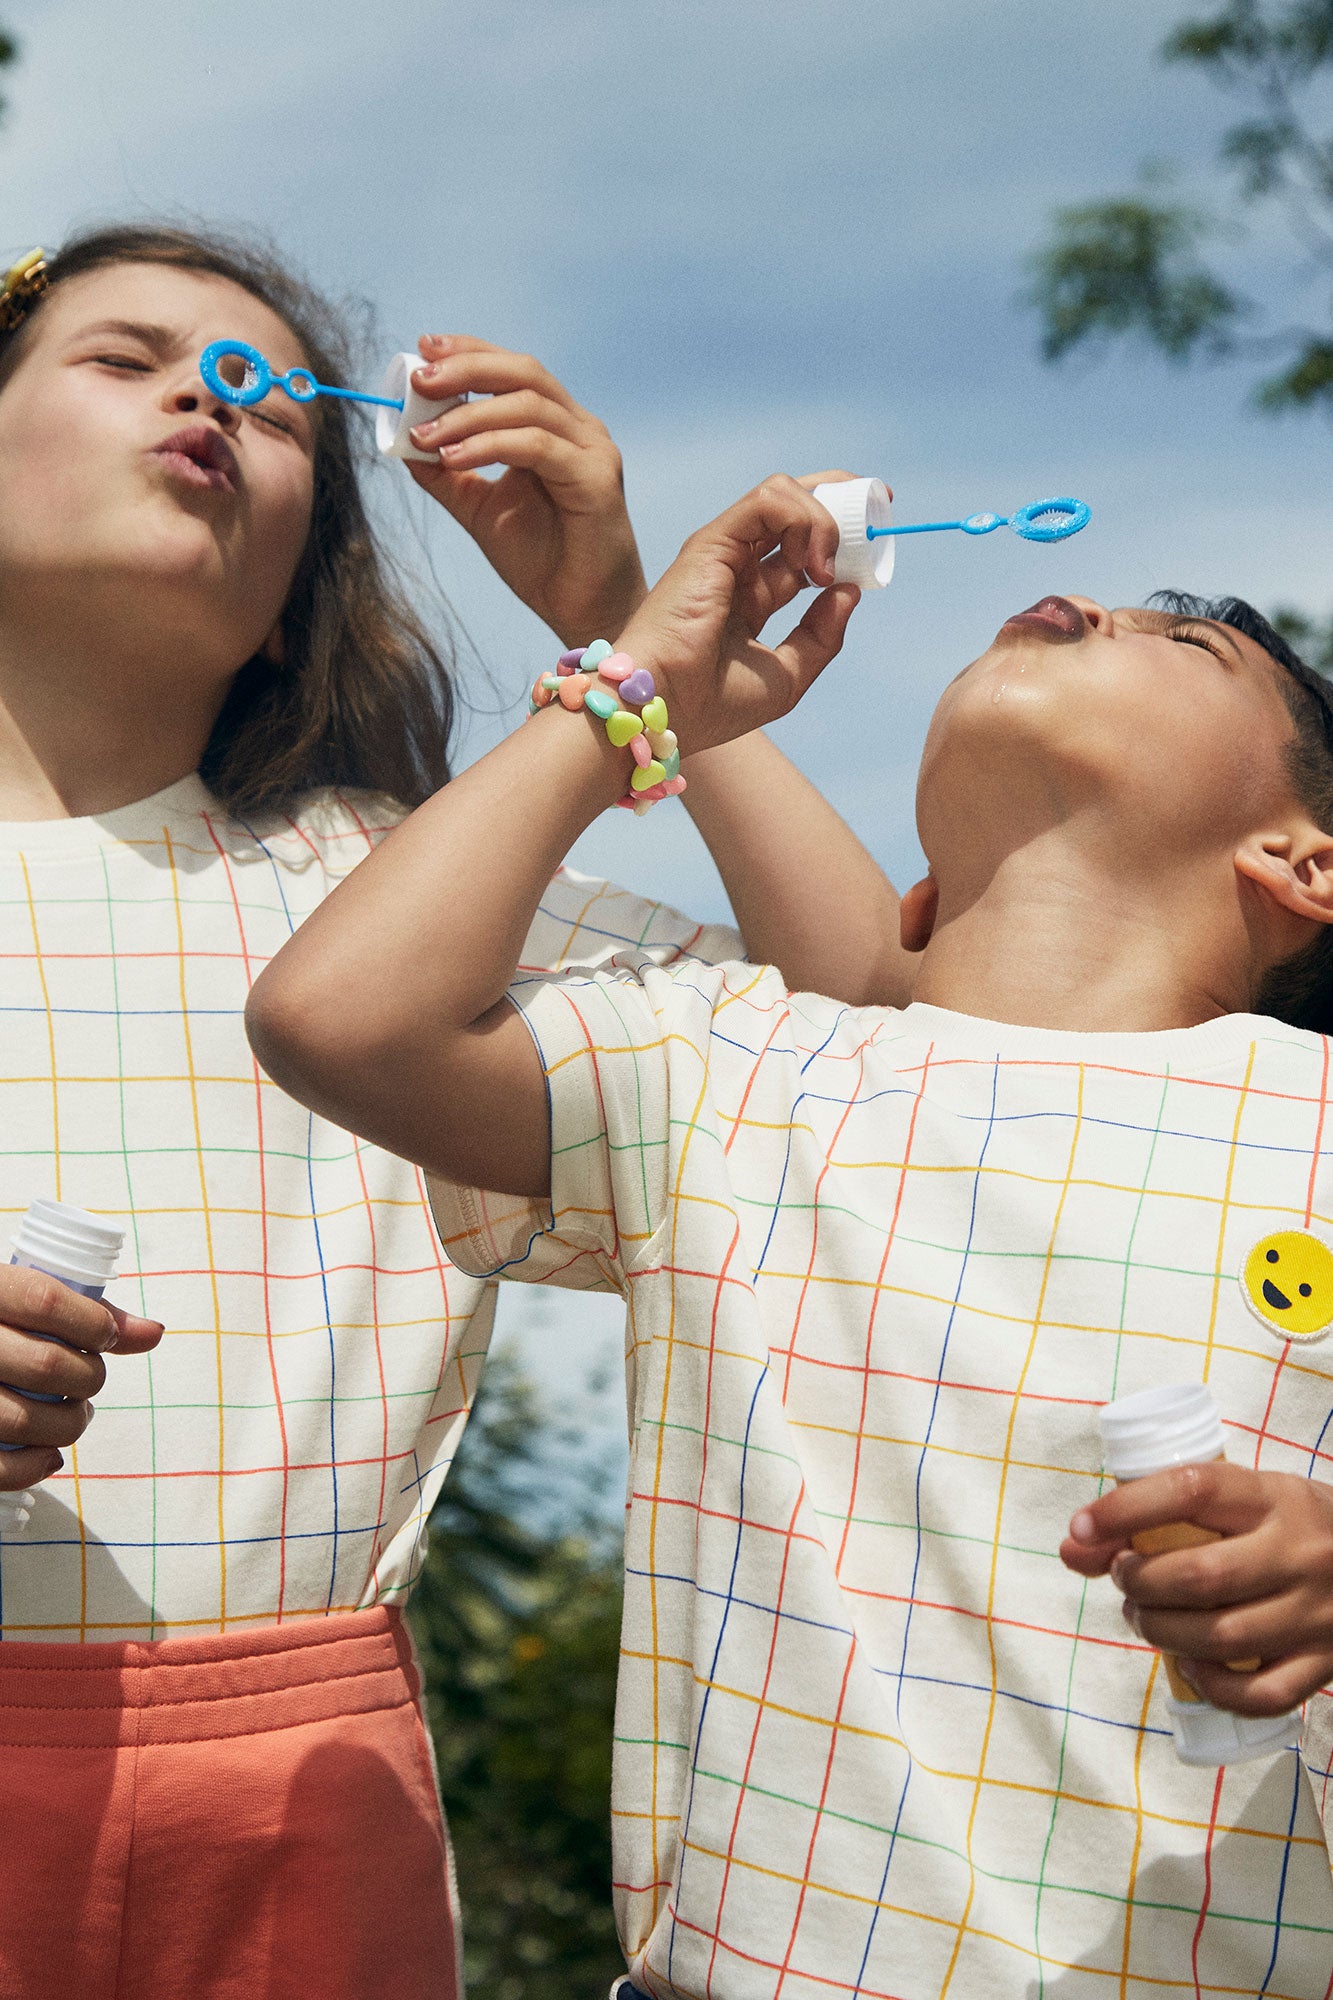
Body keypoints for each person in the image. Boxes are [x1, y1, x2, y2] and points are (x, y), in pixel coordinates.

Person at [249, 475, 1333, 1997]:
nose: (1086, 602)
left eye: (1188, 643)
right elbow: (335, 1017)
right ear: (911, 900)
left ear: (1305, 866)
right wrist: (631, 683)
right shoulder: (732, 1071)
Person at [0, 234, 904, 2000]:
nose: (212, 398)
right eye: (125, 358)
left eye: (272, 407)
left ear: (299, 587)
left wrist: (624, 634)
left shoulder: (391, 900)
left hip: (296, 1795)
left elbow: (857, 1039)